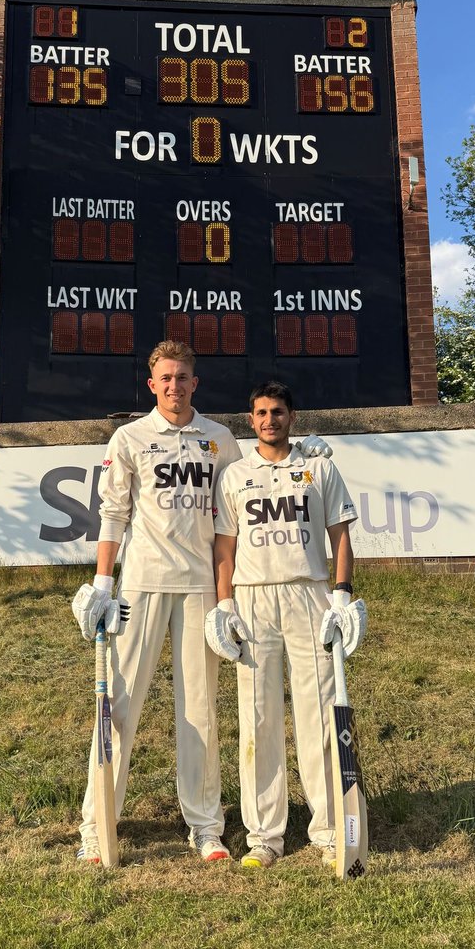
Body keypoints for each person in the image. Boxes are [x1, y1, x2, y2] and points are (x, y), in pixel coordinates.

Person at [72, 344, 334, 864]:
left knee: (201, 711)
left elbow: (253, 487)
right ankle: (97, 826)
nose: (174, 385)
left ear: (196, 383)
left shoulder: (219, 441)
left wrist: (304, 454)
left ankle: (206, 826)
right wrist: (103, 583)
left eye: (183, 377)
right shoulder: (129, 438)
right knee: (118, 708)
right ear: (152, 385)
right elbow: (113, 513)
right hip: (141, 585)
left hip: (199, 591)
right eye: (166, 377)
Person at [206, 380, 364, 869]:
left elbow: (340, 538)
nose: (269, 420)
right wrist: (224, 605)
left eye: (277, 411)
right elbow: (224, 549)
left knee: (319, 716)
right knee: (258, 718)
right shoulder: (234, 475)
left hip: (310, 593)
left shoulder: (319, 468)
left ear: (292, 417)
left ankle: (330, 830)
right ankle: (265, 837)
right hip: (253, 600)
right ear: (250, 420)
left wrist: (341, 596)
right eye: (260, 413)